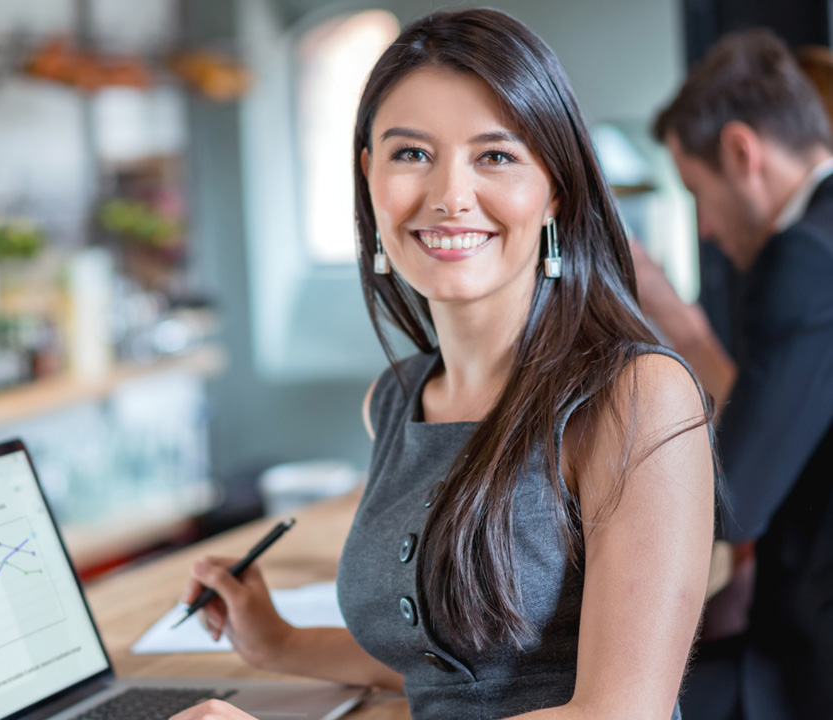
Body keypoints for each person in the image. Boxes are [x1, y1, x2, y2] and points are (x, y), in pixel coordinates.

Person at [170, 9, 715, 720]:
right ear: (369, 174)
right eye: (410, 154)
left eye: (495, 155)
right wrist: (278, 643)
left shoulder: (636, 394)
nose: (449, 196)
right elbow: (451, 665)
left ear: (555, 185)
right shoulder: (397, 400)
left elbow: (617, 714)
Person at [635, 28, 833, 720]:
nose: (708, 230)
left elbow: (735, 497)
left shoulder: (801, 258)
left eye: (696, 192)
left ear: (742, 152)